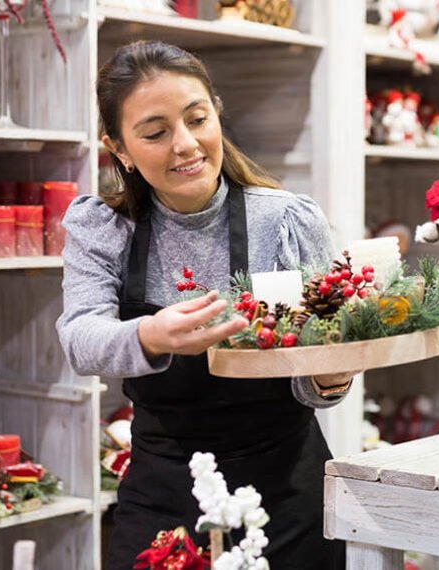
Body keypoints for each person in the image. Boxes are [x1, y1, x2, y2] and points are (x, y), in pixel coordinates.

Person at [56, 40, 349, 569]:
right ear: (119, 149)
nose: (186, 144)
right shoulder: (104, 227)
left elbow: (318, 375)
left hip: (286, 495)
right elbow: (81, 340)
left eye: (197, 119)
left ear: (216, 112)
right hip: (162, 494)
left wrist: (330, 378)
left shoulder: (286, 221)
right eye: (155, 133)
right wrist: (149, 336)